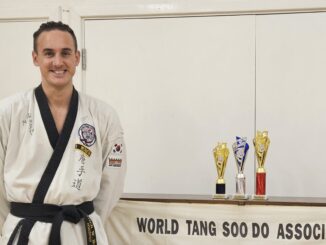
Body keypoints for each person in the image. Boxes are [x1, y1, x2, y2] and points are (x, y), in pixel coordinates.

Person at [0, 21, 126, 244]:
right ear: (35, 58)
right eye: (49, 53)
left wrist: (86, 221)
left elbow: (112, 183)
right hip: (26, 234)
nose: (58, 62)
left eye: (65, 53)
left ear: (76, 57)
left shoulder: (103, 115)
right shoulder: (8, 111)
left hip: (80, 233)